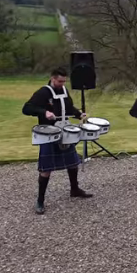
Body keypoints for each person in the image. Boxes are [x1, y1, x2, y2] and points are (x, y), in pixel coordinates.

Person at [22, 67, 93, 215]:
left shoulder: (64, 91)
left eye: (64, 81)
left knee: (73, 163)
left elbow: (68, 107)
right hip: (48, 134)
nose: (62, 84)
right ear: (53, 78)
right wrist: (44, 112)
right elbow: (27, 108)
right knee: (46, 169)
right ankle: (40, 200)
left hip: (64, 131)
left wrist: (78, 114)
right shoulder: (43, 92)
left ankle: (74, 189)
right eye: (60, 81)